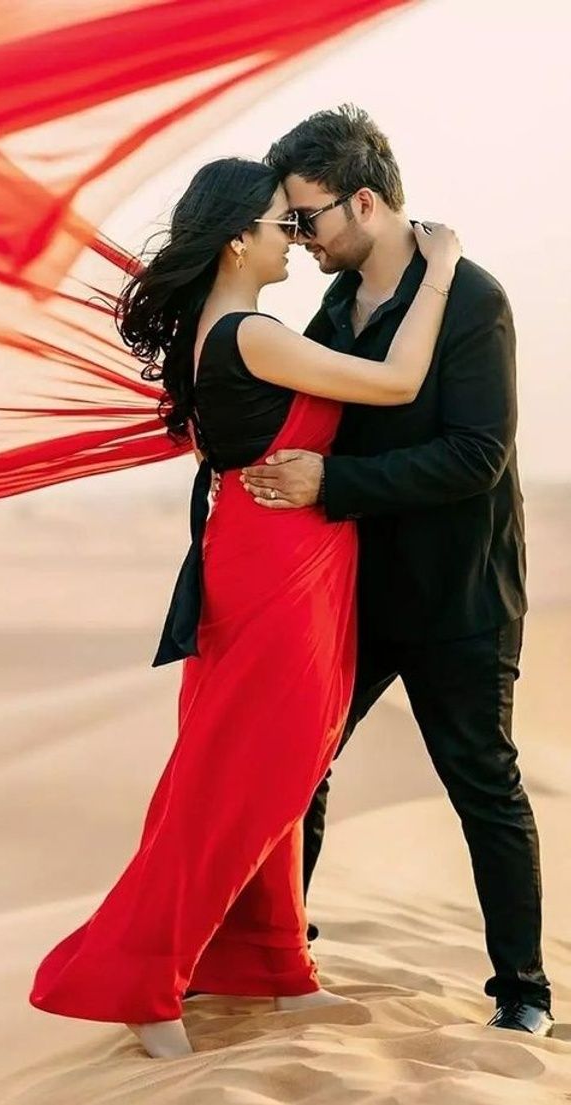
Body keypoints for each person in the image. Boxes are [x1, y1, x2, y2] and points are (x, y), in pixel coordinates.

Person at [28, 155, 461, 1058]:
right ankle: (142, 978)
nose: (295, 240)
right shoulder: (249, 333)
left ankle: (272, 965)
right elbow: (397, 383)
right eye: (281, 224)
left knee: (273, 768)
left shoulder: (218, 332)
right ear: (237, 241)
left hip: (276, 555)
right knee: (245, 776)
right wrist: (442, 268)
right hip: (275, 566)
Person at [239, 104, 554, 1037]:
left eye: (307, 219)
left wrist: (333, 482)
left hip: (463, 595)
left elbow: (477, 455)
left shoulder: (475, 298)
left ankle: (525, 992)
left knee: (482, 781)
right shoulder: (336, 307)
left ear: (364, 202)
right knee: (302, 763)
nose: (299, 239)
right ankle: (283, 946)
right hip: (364, 591)